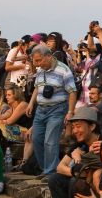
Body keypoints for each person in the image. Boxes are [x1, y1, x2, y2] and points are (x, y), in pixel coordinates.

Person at [48, 106, 102, 198]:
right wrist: (74, 171)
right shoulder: (79, 144)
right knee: (54, 180)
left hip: (96, 184)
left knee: (75, 181)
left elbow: (92, 169)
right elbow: (60, 167)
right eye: (73, 127)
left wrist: (79, 158)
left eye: (78, 126)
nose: (75, 131)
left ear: (92, 126)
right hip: (82, 178)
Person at [27, 44, 78, 175]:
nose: (37, 63)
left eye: (39, 60)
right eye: (35, 61)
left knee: (50, 141)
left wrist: (70, 112)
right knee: (36, 139)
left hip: (57, 109)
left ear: (49, 56)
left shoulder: (63, 70)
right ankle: (45, 168)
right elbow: (37, 87)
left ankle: (50, 172)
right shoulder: (40, 70)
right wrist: (31, 103)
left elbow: (72, 92)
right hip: (40, 109)